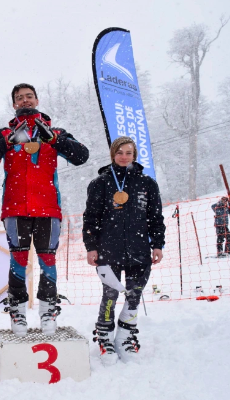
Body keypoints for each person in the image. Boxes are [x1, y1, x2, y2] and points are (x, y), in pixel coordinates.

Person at [0, 83, 89, 336]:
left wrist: (55, 140)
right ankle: (17, 311)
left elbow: (82, 156)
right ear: (14, 104)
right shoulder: (4, 132)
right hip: (15, 208)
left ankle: (48, 310)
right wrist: (5, 142)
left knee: (48, 260)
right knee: (17, 260)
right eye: (19, 98)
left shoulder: (55, 132)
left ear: (37, 100)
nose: (25, 101)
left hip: (48, 208)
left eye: (29, 96)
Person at [83, 136, 165, 365]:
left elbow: (155, 218)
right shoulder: (100, 183)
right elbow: (90, 219)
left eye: (129, 153)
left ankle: (125, 337)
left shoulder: (147, 183)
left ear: (134, 155)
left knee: (133, 296)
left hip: (140, 252)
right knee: (109, 296)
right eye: (120, 152)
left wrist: (158, 244)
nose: (124, 156)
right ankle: (105, 338)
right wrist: (91, 247)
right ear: (113, 154)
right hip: (109, 251)